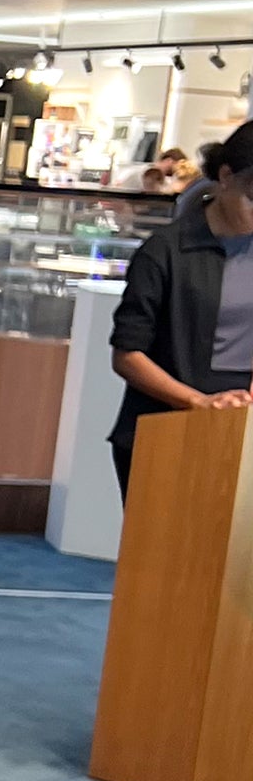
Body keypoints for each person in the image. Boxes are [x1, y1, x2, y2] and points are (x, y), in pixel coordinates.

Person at [109, 120, 253, 498]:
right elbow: (127, 354)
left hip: (240, 435)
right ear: (226, 177)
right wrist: (198, 402)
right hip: (165, 431)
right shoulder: (165, 251)